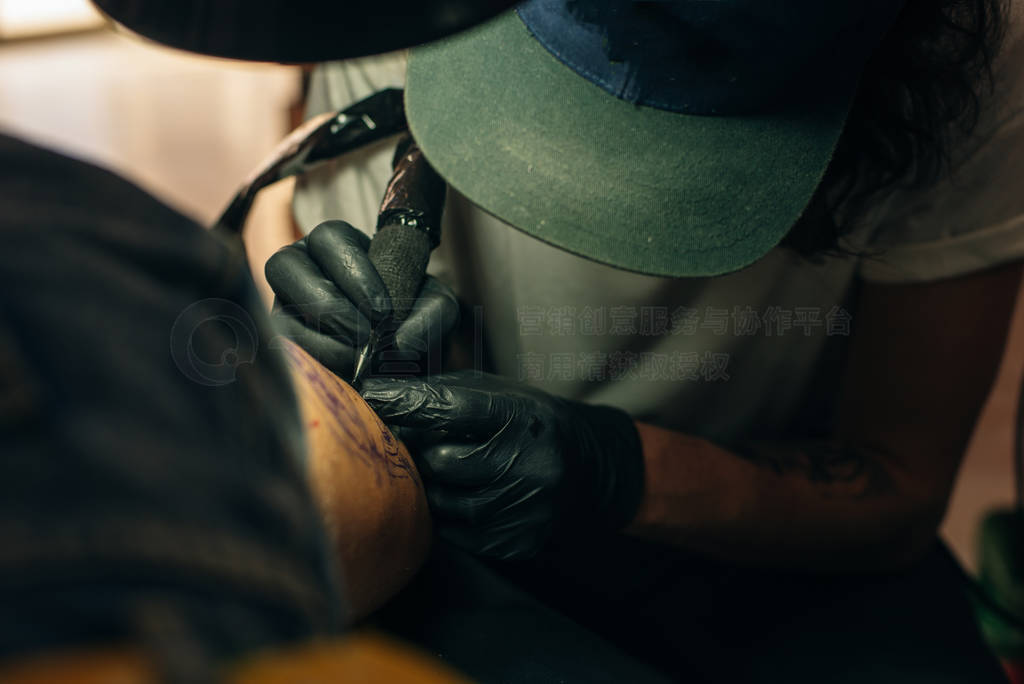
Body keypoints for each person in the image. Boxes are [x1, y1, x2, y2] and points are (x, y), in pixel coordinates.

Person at [274, 0, 1024, 680]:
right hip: (447, 529)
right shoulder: (382, 27)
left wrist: (620, 470)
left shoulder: (971, 49)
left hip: (773, 532)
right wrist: (322, 374)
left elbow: (896, 486)